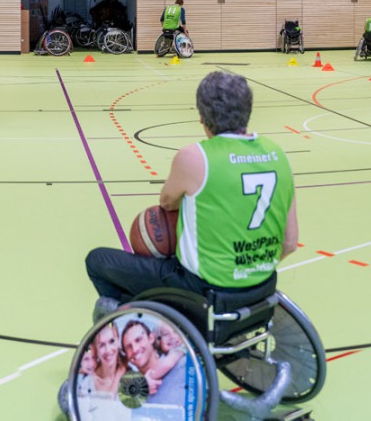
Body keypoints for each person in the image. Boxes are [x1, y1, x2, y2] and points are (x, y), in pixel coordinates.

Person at [84, 71, 299, 318]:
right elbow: (290, 243)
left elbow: (167, 202)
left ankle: (137, 319)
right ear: (248, 110)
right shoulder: (278, 155)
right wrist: (248, 271)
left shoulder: (195, 157)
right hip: (263, 288)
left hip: (204, 290)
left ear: (202, 116)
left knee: (98, 261)